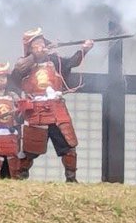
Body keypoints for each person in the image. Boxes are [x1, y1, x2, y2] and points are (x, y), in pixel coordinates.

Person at [13, 28, 93, 182]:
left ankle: (71, 178)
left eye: (42, 43)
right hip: (35, 110)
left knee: (68, 145)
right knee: (30, 148)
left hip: (56, 109)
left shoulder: (55, 61)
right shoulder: (25, 64)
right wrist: (34, 56)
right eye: (36, 44)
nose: (41, 46)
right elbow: (17, 73)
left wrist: (84, 50)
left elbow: (71, 62)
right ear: (29, 48)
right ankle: (21, 176)